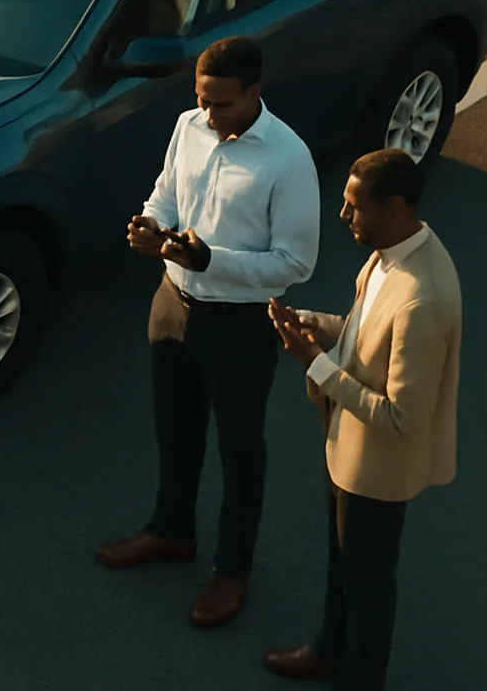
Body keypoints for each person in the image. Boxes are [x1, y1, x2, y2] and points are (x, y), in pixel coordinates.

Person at [97, 35, 320, 629]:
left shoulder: (290, 160)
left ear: (254, 92)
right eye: (202, 99)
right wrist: (151, 225)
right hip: (170, 304)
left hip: (238, 324)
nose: (208, 113)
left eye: (221, 103)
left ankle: (231, 570)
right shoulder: (188, 125)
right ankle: (170, 532)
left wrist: (210, 261)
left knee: (240, 451)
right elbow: (167, 192)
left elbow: (296, 264)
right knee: (176, 430)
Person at [263, 149, 461, 688]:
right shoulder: (389, 252)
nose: (344, 216)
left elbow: (401, 418)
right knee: (344, 567)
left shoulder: (422, 300)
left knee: (368, 585)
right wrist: (314, 324)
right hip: (347, 450)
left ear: (394, 207)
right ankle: (328, 649)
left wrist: (316, 364)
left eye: (354, 207)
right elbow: (363, 330)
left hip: (377, 471)